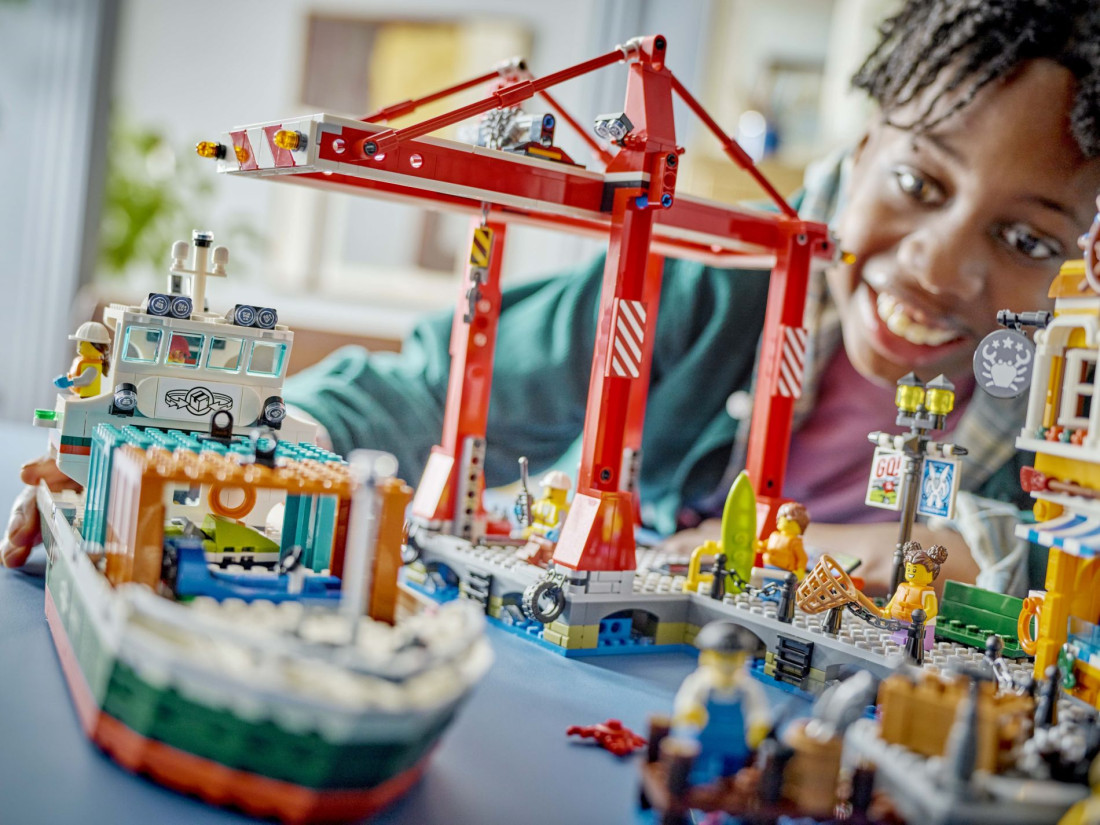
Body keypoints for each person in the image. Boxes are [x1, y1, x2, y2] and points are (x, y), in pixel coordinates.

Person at [6, 1, 1100, 596]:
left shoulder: (1067, 421)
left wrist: (927, 553)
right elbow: (412, 393)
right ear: (857, 157)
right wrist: (219, 464)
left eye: (1025, 239)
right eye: (918, 184)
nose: (937, 268)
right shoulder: (703, 288)